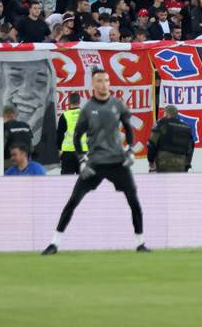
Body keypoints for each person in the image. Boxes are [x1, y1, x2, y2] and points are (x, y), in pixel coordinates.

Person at [42, 69, 147, 255]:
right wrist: (82, 160)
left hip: (117, 162)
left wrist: (130, 149)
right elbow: (77, 137)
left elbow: (128, 128)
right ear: (93, 84)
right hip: (95, 163)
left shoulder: (118, 104)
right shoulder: (87, 109)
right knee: (73, 201)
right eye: (99, 81)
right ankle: (54, 244)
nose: (104, 84)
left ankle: (140, 243)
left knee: (134, 200)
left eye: (106, 80)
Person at [148, 104, 195, 172]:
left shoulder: (162, 124)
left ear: (167, 114)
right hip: (180, 162)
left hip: (163, 161)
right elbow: (190, 148)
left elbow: (152, 144)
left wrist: (151, 161)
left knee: (162, 179)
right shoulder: (186, 127)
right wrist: (187, 164)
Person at [55, 91, 85, 175]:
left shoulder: (65, 115)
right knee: (84, 179)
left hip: (68, 153)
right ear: (79, 101)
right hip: (83, 152)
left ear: (69, 102)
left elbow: (60, 134)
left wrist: (60, 149)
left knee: (66, 180)